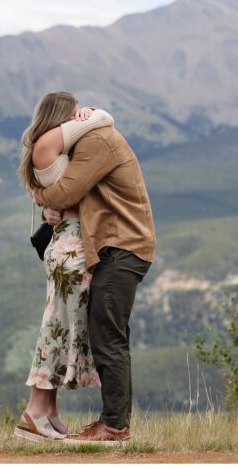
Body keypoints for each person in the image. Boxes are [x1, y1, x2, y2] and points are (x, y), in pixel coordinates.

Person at [29, 93, 156, 444]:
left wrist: (41, 197)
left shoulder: (96, 140)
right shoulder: (89, 136)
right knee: (107, 333)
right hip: (112, 244)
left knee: (108, 336)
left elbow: (66, 192)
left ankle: (114, 426)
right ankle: (112, 422)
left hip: (122, 245)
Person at [14, 91, 116, 442]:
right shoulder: (48, 146)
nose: (78, 120)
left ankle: (47, 410)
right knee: (56, 330)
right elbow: (104, 119)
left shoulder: (49, 150)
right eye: (72, 115)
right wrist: (91, 115)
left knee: (58, 328)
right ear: (60, 118)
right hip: (72, 249)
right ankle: (35, 411)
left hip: (68, 245)